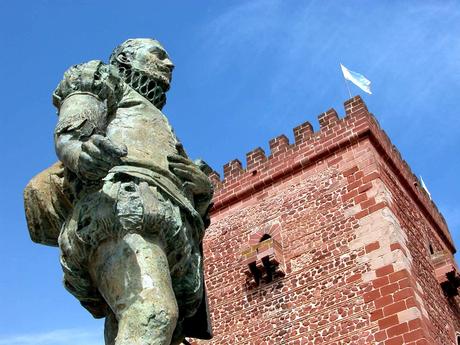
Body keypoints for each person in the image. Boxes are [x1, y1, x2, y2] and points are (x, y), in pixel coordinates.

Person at [25, 38, 213, 345]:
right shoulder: (106, 80)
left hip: (174, 235)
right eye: (157, 55)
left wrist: (201, 192)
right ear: (126, 58)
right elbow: (73, 128)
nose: (169, 64)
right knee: (152, 312)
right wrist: (80, 151)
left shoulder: (160, 122)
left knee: (145, 328)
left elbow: (195, 212)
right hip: (123, 212)